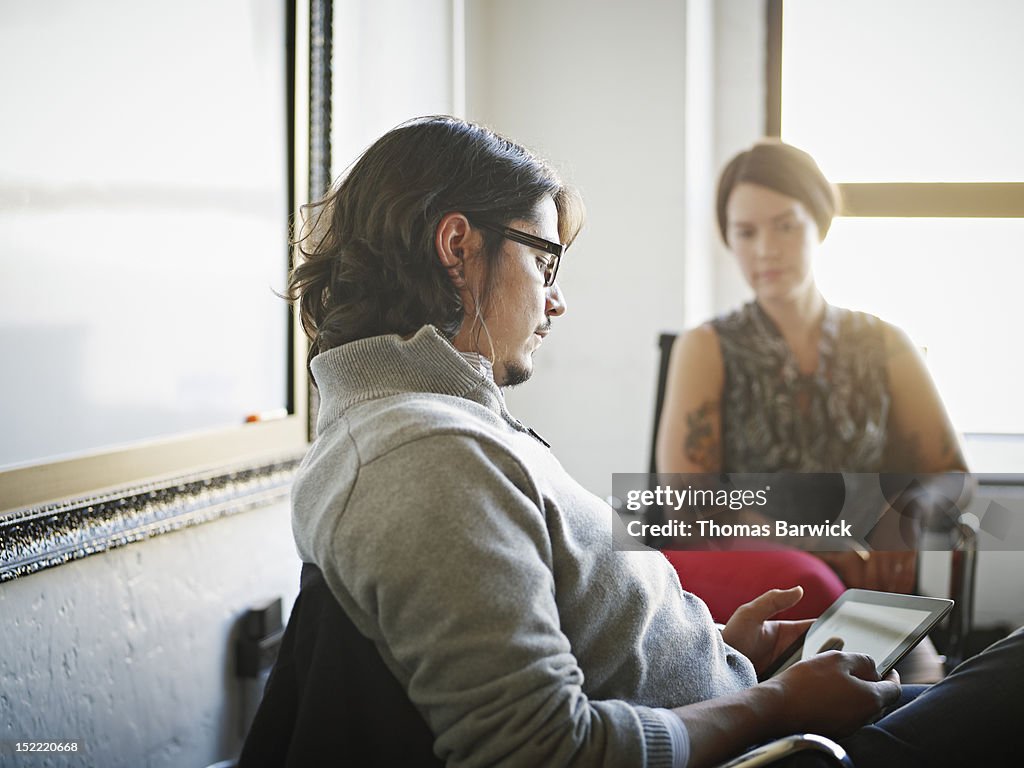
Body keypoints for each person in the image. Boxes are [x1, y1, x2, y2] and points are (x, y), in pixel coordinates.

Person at [244, 117, 1021, 767]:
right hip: (764, 743)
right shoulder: (423, 457)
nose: (557, 300)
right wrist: (773, 695)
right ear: (458, 248)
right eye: (545, 260)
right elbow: (552, 741)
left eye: (784, 226)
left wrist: (723, 643)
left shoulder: (440, 425)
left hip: (736, 693)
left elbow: (949, 483)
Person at [655, 140, 970, 626]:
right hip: (749, 591)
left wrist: (903, 515)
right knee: (815, 587)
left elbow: (952, 475)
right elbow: (687, 504)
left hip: (867, 587)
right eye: (745, 232)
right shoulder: (706, 348)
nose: (764, 250)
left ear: (819, 225)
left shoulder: (886, 344)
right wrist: (808, 546)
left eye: (785, 226)